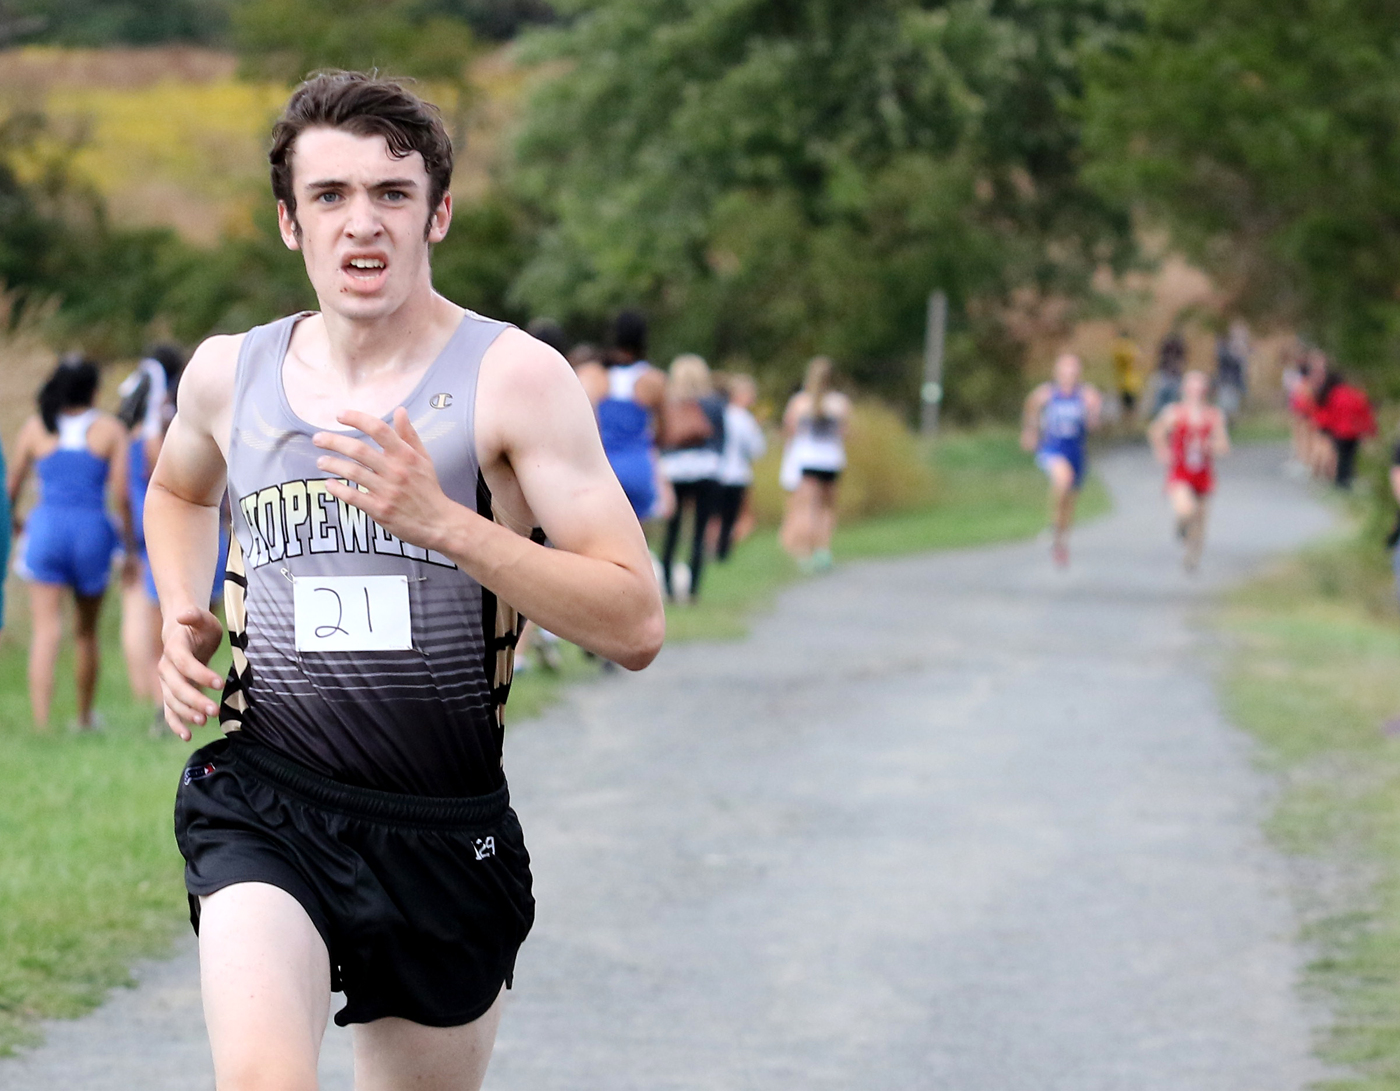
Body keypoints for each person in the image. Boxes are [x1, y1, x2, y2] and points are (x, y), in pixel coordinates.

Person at [144, 72, 664, 1091]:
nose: (362, 224)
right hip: (268, 796)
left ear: (439, 212)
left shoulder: (512, 378)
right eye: (330, 196)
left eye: (391, 192)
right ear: (290, 224)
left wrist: (447, 525)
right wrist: (178, 606)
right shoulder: (227, 373)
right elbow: (176, 489)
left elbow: (634, 618)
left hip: (440, 826)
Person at [8, 356, 132, 731]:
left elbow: (9, 490)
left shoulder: (35, 428)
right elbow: (122, 495)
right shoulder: (109, 429)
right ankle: (83, 717)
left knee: (46, 630)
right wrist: (126, 543)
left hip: (46, 528)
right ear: (94, 391)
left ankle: (42, 722)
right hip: (91, 531)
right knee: (86, 632)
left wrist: (19, 528)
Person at [118, 344, 185, 711]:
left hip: (138, 523)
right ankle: (161, 696)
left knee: (137, 610)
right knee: (163, 615)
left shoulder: (127, 429)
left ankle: (144, 688)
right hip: (162, 521)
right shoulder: (158, 429)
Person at [1020, 352, 1102, 568]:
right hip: (1053, 449)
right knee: (1062, 480)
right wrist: (1030, 431)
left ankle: (1060, 542)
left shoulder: (1086, 394)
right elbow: (1031, 406)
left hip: (1076, 452)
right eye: (1066, 369)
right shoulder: (1046, 394)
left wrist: (1094, 411)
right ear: (1057, 372)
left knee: (1069, 504)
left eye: (1074, 370)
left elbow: (1095, 424)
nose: (1070, 374)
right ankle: (1052, 527)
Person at [657, 353, 726, 602]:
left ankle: (669, 588)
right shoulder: (713, 402)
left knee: (672, 531)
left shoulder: (668, 402)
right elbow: (721, 439)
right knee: (699, 531)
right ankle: (694, 589)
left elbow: (660, 437)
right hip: (705, 468)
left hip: (674, 469)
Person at [1149, 369, 1230, 572]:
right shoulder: (1174, 413)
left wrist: (1211, 446)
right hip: (1180, 472)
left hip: (1203, 474)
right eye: (1192, 387)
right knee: (1186, 509)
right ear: (1184, 389)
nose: (1196, 391)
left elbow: (1224, 446)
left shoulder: (1213, 415)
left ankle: (1192, 557)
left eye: (1200, 387)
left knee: (1201, 521)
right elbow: (1155, 431)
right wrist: (1162, 451)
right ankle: (1181, 526)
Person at [779, 356, 850, 571]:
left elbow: (789, 431)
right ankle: (823, 549)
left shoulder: (800, 402)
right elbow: (845, 432)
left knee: (806, 508)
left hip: (807, 460)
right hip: (830, 461)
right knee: (826, 508)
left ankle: (804, 551)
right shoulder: (839, 402)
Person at [597, 310, 668, 523]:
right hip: (638, 463)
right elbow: (664, 429)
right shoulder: (654, 380)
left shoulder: (595, 378)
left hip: (604, 466)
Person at [713, 373, 766, 561]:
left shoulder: (718, 412)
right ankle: (723, 552)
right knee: (731, 517)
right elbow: (756, 448)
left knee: (715, 516)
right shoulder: (743, 418)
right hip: (736, 473)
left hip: (715, 472)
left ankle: (712, 548)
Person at [1310, 363, 1376, 489]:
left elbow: (1330, 412)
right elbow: (1364, 412)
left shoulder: (1333, 394)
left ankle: (1339, 480)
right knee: (1350, 457)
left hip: (1339, 431)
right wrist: (1370, 430)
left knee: (1340, 456)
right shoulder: (1356, 394)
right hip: (1353, 431)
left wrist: (1325, 425)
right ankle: (1347, 479)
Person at [1110, 329, 1143, 420]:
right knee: (1130, 408)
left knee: (1126, 408)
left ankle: (1128, 425)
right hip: (1130, 382)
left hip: (1124, 382)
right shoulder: (1129, 347)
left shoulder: (1118, 348)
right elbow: (1137, 358)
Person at [1153, 329, 1186, 416]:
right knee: (1161, 398)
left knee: (1172, 400)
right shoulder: (1167, 351)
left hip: (1174, 375)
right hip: (1166, 374)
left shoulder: (1178, 350)